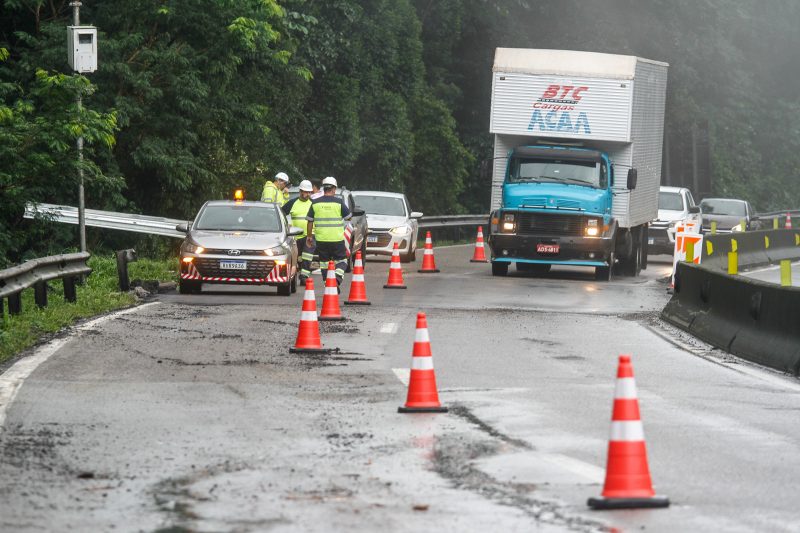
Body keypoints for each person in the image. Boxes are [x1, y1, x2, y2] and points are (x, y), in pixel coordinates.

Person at [306, 176, 351, 288]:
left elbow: (310, 221)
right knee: (342, 261)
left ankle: (329, 286)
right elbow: (349, 217)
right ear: (334, 189)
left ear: (324, 188)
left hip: (321, 240)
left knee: (324, 264)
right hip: (336, 239)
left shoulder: (315, 203)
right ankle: (337, 279)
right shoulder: (339, 202)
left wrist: (309, 237)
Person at [282, 179, 315, 283]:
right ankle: (298, 272)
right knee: (298, 258)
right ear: (300, 191)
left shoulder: (314, 204)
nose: (307, 194)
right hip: (295, 236)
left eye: (309, 192)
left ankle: (304, 277)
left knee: (307, 255)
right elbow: (281, 215)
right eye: (305, 191)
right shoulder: (293, 203)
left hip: (310, 235)